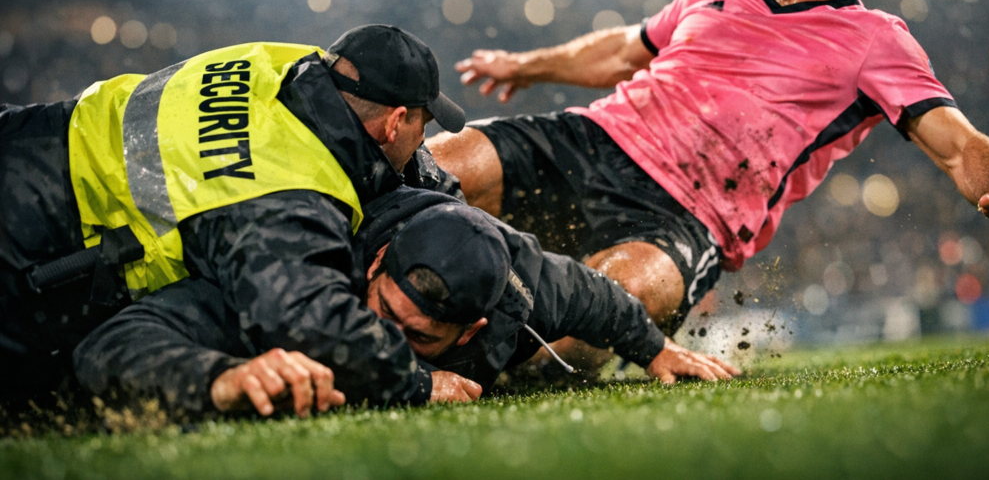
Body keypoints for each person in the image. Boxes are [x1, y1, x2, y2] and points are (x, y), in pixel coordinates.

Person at [427, 0, 989, 359]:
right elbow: (619, 52)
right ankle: (343, 269)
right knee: (449, 160)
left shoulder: (875, 39)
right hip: (595, 141)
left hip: (690, 216)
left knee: (610, 306)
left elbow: (959, 145)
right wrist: (524, 66)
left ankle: (458, 362)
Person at [0, 24, 473, 404]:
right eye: (422, 125)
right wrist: (419, 383)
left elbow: (395, 157)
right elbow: (309, 321)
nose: (423, 142)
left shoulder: (286, 64)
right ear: (394, 123)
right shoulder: (290, 187)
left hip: (31, 134)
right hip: (37, 242)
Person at [74, 188, 739, 415]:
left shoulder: (525, 283)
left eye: (416, 336)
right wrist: (222, 377)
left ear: (472, 328)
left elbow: (602, 300)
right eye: (379, 308)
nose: (374, 331)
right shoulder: (297, 276)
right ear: (377, 261)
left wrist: (657, 351)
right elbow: (107, 347)